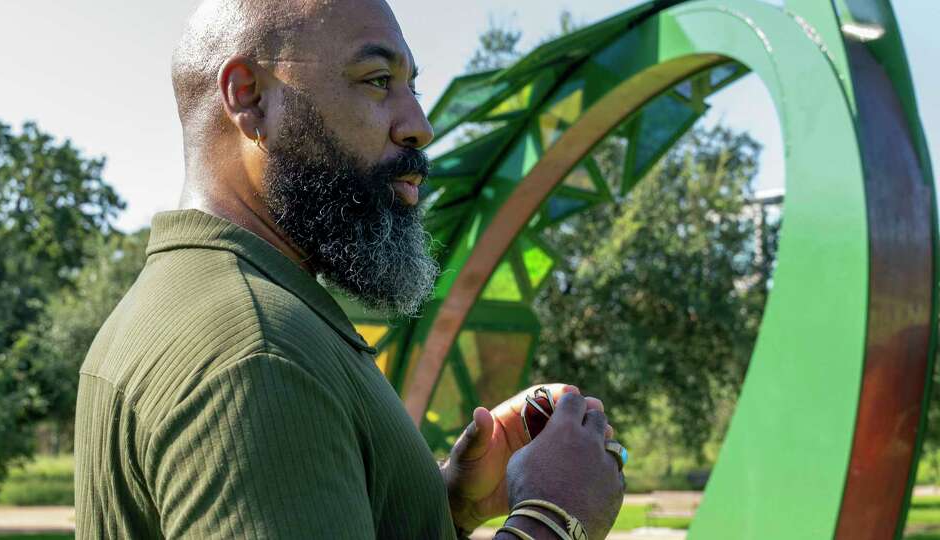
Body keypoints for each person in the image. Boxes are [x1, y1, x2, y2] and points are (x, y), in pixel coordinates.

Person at [73, 0, 625, 538]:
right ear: (249, 97)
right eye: (378, 79)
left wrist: (442, 508)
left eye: (414, 86)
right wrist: (553, 520)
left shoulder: (178, 304)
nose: (419, 126)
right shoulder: (259, 353)